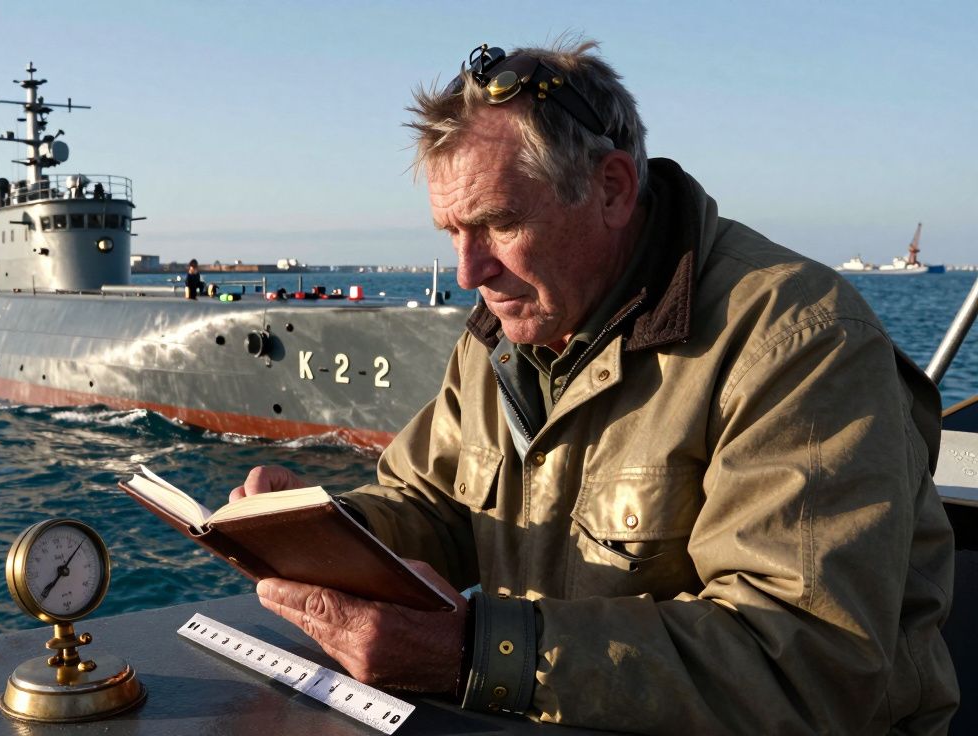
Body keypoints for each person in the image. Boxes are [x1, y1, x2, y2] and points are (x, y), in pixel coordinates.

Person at [231, 40, 958, 734]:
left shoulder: (795, 340)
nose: (469, 272)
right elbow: (435, 505)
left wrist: (477, 652)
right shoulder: (508, 332)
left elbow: (805, 666)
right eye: (451, 232)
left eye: (499, 224)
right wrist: (324, 533)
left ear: (612, 189)